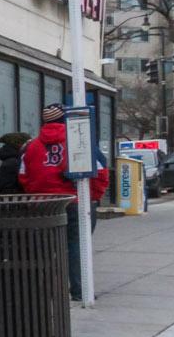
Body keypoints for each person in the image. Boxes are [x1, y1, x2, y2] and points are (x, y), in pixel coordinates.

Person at [20, 103, 109, 301]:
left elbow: (24, 176)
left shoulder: (31, 147)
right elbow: (101, 173)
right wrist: (91, 197)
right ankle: (79, 290)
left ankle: (46, 290)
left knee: (45, 248)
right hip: (74, 202)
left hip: (43, 205)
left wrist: (37, 195)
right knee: (76, 246)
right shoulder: (79, 143)